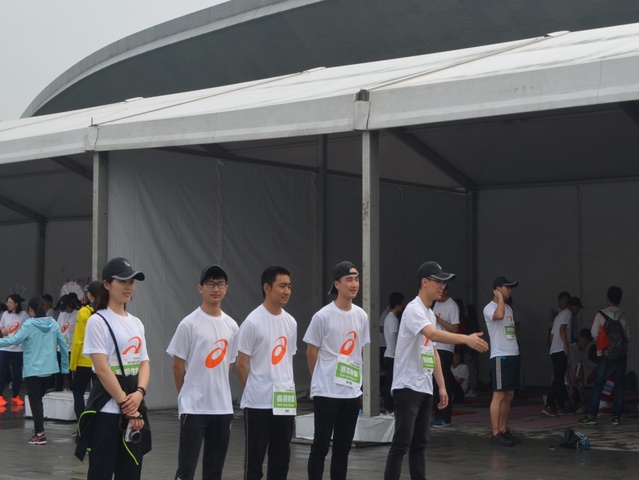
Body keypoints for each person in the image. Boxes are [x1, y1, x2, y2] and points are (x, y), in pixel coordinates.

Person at [384, 262, 488, 480]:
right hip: (407, 386)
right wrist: (465, 339)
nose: (442, 287)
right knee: (402, 443)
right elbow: (433, 335)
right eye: (438, 282)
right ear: (424, 282)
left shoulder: (429, 314)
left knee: (420, 443)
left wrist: (441, 386)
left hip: (423, 386)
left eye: (444, 283)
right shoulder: (413, 309)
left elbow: (432, 351)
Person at [78, 257, 151, 479]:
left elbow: (144, 363)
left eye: (132, 281)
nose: (129, 287)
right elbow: (102, 369)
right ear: (107, 284)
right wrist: (127, 406)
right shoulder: (97, 321)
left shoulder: (136, 322)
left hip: (134, 406)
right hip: (107, 411)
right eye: (122, 281)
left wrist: (139, 393)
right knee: (100, 471)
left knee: (131, 472)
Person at [166, 264, 239, 480]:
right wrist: (185, 394)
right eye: (210, 283)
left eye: (220, 284)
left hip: (222, 407)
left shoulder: (232, 326)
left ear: (226, 288)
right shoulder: (188, 324)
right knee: (186, 468)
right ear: (200, 288)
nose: (215, 288)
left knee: (214, 470)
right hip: (194, 408)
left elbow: (229, 364)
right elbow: (177, 366)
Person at [304, 261, 371, 480]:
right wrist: (320, 379)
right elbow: (311, 352)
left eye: (357, 279)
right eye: (349, 280)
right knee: (321, 445)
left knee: (343, 448)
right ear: (337, 284)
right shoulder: (322, 316)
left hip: (351, 392)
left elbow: (359, 350)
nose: (354, 284)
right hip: (326, 392)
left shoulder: (361, 315)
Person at [236, 266, 297, 480]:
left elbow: (287, 360)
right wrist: (255, 389)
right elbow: (241, 364)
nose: (287, 291)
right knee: (254, 461)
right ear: (267, 288)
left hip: (284, 400)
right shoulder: (252, 322)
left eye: (289, 286)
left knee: (281, 460)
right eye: (282, 286)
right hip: (258, 403)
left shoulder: (291, 322)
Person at [0, 295, 69, 445]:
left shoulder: (29, 324)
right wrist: (64, 368)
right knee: (39, 400)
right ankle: (39, 429)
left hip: (33, 370)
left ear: (30, 310)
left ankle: (40, 434)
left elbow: (14, 340)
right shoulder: (53, 323)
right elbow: (63, 345)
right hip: (49, 370)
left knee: (35, 402)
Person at [578, 286, 631, 426]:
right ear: (619, 300)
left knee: (598, 385)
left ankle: (591, 416)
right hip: (621, 357)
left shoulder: (600, 315)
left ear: (608, 298)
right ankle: (616, 417)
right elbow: (628, 337)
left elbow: (594, 334)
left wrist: (603, 346)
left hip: (606, 356)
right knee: (620, 386)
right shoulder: (623, 316)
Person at [483, 276, 520, 447]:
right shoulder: (489, 308)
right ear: (498, 289)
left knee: (509, 394)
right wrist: (498, 297)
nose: (510, 290)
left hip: (513, 353)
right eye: (507, 287)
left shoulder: (509, 308)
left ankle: (503, 429)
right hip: (500, 355)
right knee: (498, 395)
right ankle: (496, 432)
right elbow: (498, 315)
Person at [542, 297, 583, 416]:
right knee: (559, 379)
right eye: (578, 308)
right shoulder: (568, 314)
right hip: (560, 350)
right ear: (575, 306)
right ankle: (549, 403)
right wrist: (566, 347)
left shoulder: (559, 316)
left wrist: (553, 347)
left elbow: (552, 335)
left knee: (559, 378)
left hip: (554, 350)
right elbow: (562, 329)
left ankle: (559, 404)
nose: (578, 311)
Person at [70, 281, 100, 419]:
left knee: (78, 392)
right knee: (98, 394)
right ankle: (96, 422)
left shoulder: (84, 312)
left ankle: (82, 423)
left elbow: (78, 340)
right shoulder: (106, 311)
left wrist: (72, 364)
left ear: (90, 295)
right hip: (100, 361)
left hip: (84, 360)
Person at [431, 286, 460, 427]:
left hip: (445, 348)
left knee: (444, 383)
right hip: (434, 346)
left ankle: (445, 416)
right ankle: (437, 414)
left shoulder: (452, 305)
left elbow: (455, 328)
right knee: (435, 383)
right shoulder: (435, 303)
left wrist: (439, 320)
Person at [0, 294, 28, 406]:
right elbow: (1, 324)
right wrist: (2, 329)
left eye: (11, 302)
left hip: (18, 348)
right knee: (2, 372)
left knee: (17, 373)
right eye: (7, 302)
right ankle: (0, 396)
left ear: (16, 303)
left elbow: (27, 328)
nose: (8, 304)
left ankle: (15, 396)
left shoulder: (23, 314)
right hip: (5, 347)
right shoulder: (5, 314)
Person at [382, 292, 404, 415]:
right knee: (391, 383)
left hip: (388, 353)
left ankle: (388, 407)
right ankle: (389, 407)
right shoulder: (393, 319)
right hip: (392, 355)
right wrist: (397, 353)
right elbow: (392, 337)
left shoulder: (388, 318)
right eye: (401, 304)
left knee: (389, 382)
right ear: (397, 305)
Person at [55, 293, 82, 391]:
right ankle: (58, 389)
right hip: (60, 347)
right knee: (59, 372)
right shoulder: (62, 314)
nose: (65, 310)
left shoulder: (78, 314)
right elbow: (58, 328)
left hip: (71, 348)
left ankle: (72, 389)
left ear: (70, 305)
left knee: (71, 372)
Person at [567, 328, 593, 414]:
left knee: (582, 405)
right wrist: (570, 387)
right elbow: (566, 369)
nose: (585, 343)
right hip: (568, 382)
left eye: (587, 342)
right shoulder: (571, 349)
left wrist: (582, 386)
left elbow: (581, 370)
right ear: (580, 338)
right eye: (584, 340)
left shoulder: (582, 351)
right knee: (575, 406)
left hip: (575, 382)